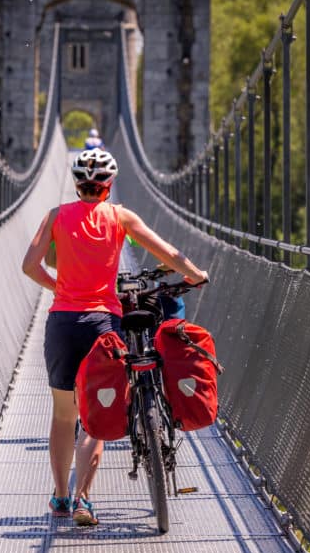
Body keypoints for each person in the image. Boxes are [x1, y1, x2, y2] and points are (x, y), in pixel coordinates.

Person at [21, 148, 208, 526]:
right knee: (95, 414)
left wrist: (60, 288)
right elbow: (168, 252)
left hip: (62, 324)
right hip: (103, 324)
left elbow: (29, 266)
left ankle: (59, 496)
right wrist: (194, 273)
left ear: (77, 184)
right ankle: (83, 501)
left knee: (63, 414)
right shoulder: (120, 217)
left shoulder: (56, 217)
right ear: (108, 185)